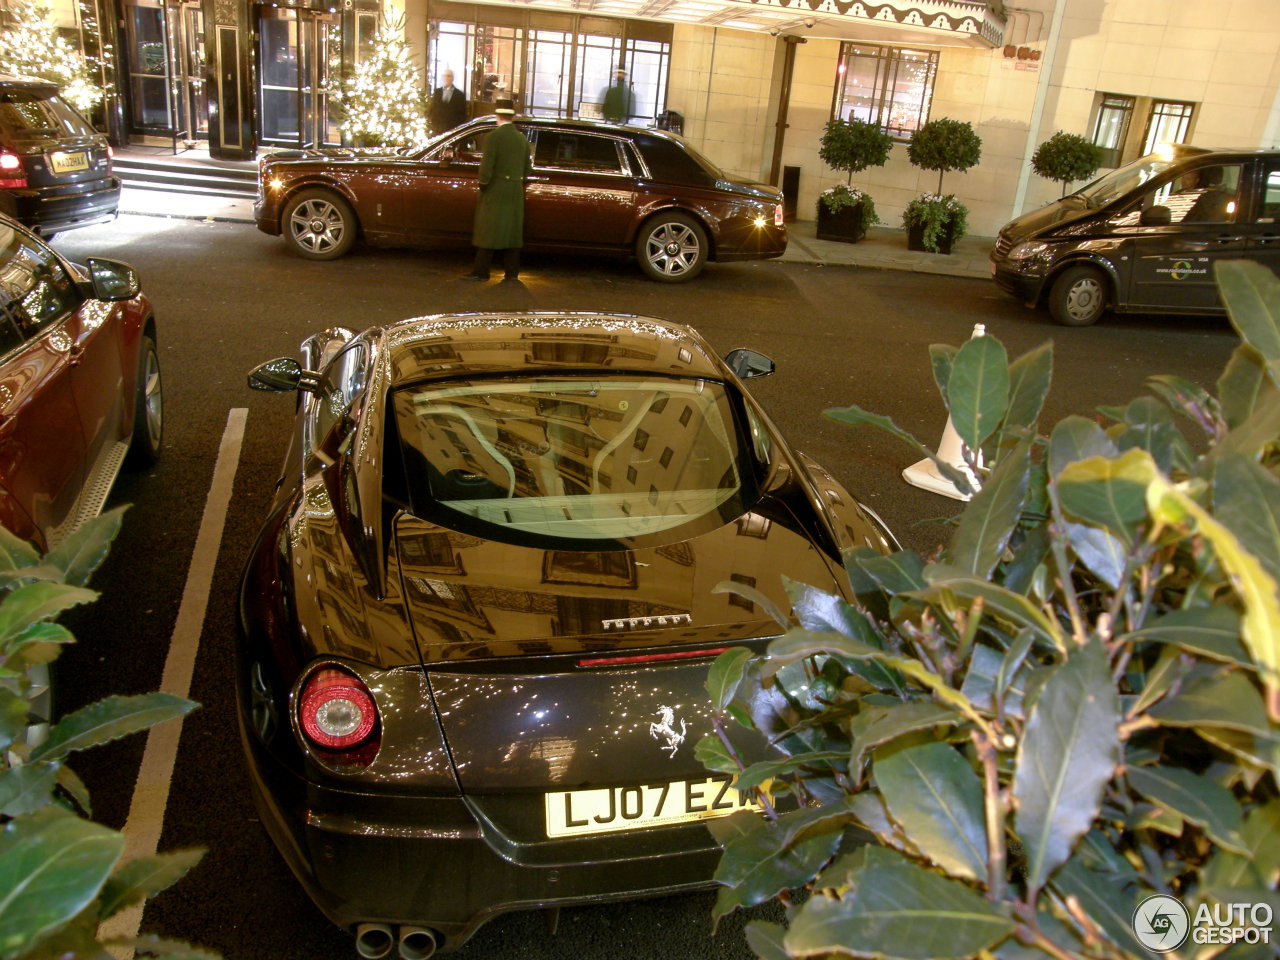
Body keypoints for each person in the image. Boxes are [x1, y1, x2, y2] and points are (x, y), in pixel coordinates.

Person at [462, 99, 532, 283]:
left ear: (497, 116)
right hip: (515, 191)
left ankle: (481, 271)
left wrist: (483, 184)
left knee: (488, 230)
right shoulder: (521, 139)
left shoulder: (493, 137)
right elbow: (527, 169)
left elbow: (486, 169)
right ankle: (511, 274)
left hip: (496, 189)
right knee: (512, 233)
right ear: (512, 116)